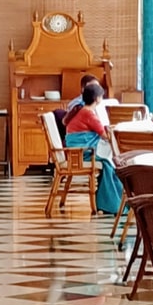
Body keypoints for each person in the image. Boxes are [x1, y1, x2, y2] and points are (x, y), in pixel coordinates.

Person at [56, 80, 123, 216]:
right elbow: (105, 136)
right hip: (84, 154)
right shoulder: (89, 114)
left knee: (109, 162)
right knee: (111, 163)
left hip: (76, 152)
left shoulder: (78, 110)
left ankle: (110, 202)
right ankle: (111, 204)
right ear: (97, 99)